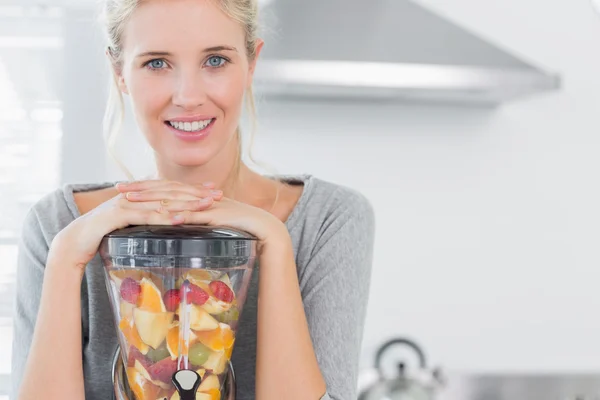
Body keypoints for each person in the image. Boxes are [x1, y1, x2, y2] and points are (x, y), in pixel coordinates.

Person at [10, 0, 375, 399]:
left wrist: (273, 240)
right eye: (156, 63)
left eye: (215, 60)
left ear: (251, 64)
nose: (188, 96)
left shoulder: (327, 220)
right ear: (120, 73)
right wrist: (66, 257)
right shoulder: (57, 225)